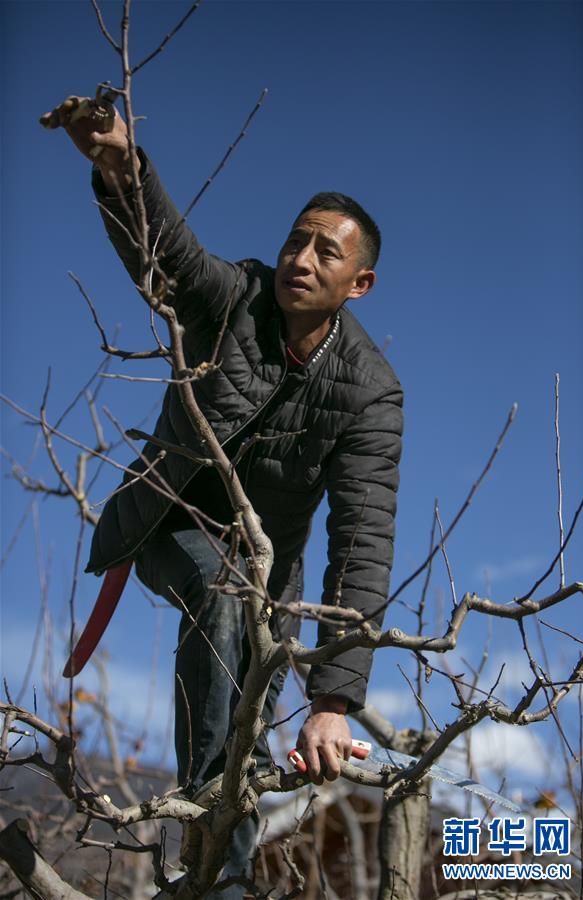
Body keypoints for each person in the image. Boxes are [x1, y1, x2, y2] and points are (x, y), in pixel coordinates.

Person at [41, 95, 404, 888]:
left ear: (360, 283)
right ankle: (225, 872)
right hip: (167, 522)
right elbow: (167, 254)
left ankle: (220, 856)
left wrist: (335, 698)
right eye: (295, 240)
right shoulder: (233, 296)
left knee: (247, 720)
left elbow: (364, 540)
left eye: (325, 253)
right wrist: (118, 164)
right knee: (218, 587)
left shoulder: (370, 392)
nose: (301, 260)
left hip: (274, 579)